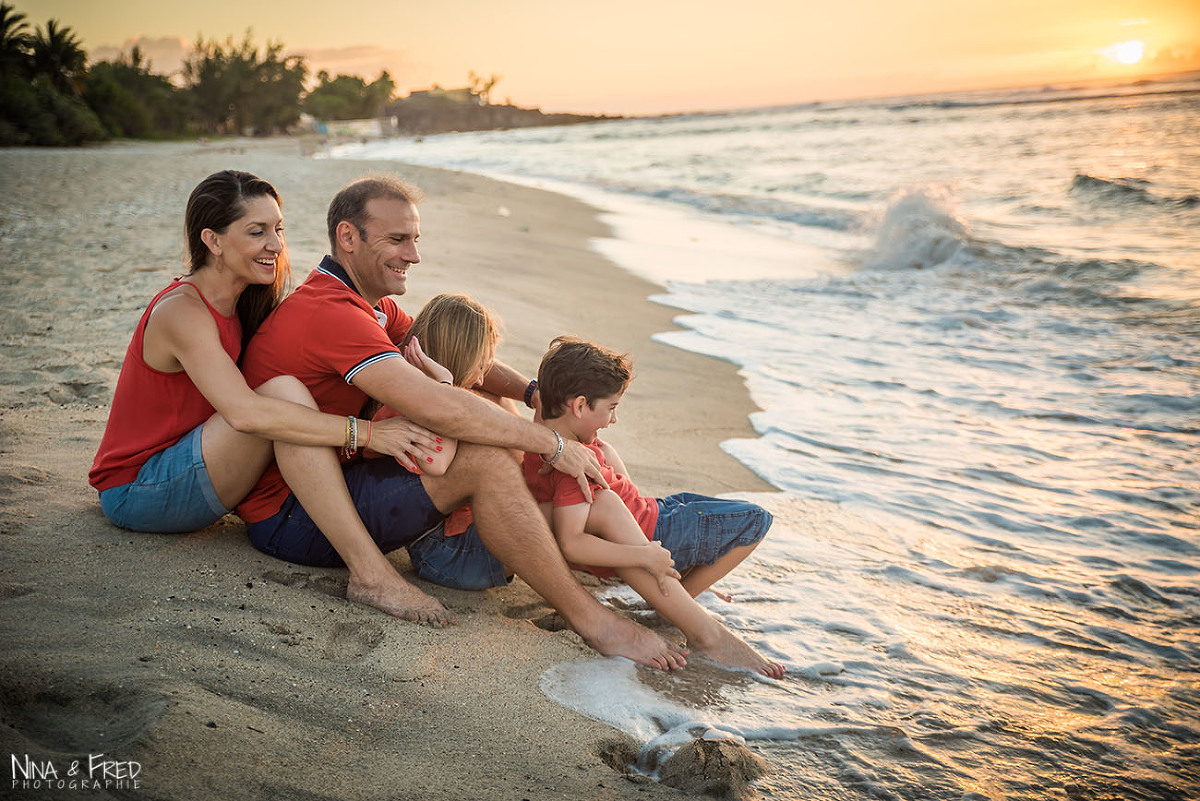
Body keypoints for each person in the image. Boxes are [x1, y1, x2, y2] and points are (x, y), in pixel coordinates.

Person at [235, 175, 689, 670]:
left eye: (415, 239)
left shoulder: (370, 305)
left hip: (337, 482)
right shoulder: (331, 313)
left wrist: (534, 392)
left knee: (478, 398)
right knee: (485, 459)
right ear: (348, 238)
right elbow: (438, 405)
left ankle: (557, 541)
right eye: (397, 240)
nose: (413, 256)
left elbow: (464, 361)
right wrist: (554, 443)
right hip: (293, 518)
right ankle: (592, 619)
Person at [88, 171, 445, 623]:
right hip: (138, 488)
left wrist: (528, 391)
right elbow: (244, 413)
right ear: (213, 241)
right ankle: (371, 574)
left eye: (278, 229)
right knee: (280, 395)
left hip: (199, 463)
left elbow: (413, 338)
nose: (275, 244)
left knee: (287, 394)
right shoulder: (182, 310)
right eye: (256, 232)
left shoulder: (247, 301)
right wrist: (369, 434)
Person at [522, 336, 785, 677]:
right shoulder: (575, 467)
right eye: (611, 408)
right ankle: (679, 602)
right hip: (656, 531)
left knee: (660, 487)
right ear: (580, 405)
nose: (613, 418)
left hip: (651, 514)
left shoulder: (542, 437)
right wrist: (646, 556)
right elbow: (574, 541)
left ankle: (679, 594)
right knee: (756, 520)